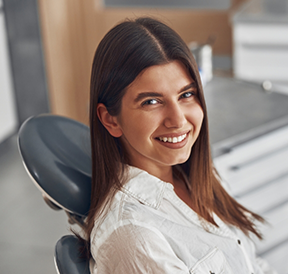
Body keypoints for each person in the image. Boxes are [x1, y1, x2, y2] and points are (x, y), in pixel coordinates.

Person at [82, 17, 276, 274]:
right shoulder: (133, 237)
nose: (178, 120)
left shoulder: (194, 177)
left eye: (186, 95)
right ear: (110, 119)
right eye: (151, 102)